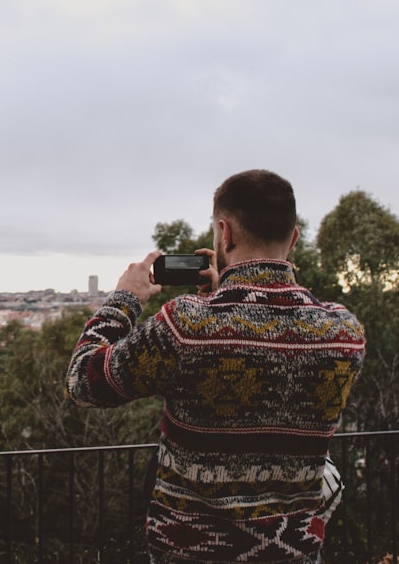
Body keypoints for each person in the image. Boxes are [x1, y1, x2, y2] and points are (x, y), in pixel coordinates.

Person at [65, 169, 366, 563]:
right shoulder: (344, 331)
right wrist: (221, 296)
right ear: (293, 238)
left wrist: (125, 298)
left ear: (225, 233)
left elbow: (83, 382)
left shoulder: (186, 324)